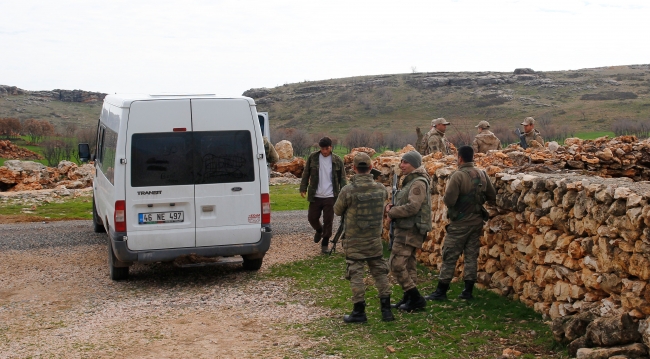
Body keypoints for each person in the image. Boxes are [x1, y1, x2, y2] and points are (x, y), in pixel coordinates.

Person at [426, 146, 496, 301]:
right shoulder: (482, 174)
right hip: (477, 221)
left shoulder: (457, 176)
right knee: (471, 255)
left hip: (460, 223)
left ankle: (441, 291)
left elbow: (449, 200)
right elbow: (492, 195)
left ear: (460, 158)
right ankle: (468, 291)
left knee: (450, 255)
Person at [333, 152, 394, 323]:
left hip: (354, 240)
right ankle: (387, 311)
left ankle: (359, 312)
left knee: (356, 274)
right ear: (371, 167)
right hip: (374, 239)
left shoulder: (348, 190)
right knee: (380, 272)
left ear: (353, 168)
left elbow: (337, 210)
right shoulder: (381, 189)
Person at [385, 151, 432, 312]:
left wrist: (392, 213)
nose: (401, 165)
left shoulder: (417, 183)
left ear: (414, 164)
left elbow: (413, 207)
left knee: (396, 264)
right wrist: (394, 206)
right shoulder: (410, 181)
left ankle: (415, 298)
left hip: (409, 229)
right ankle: (409, 298)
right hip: (407, 227)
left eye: (405, 162)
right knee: (410, 264)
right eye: (401, 162)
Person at [300, 137, 347, 254]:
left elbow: (342, 178)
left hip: (331, 195)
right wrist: (303, 188)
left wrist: (344, 193)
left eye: (326, 149)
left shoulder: (337, 160)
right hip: (316, 194)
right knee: (312, 217)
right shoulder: (313, 157)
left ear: (331, 147)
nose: (324, 151)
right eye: (322, 149)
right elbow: (306, 173)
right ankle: (319, 230)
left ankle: (325, 242)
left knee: (328, 220)